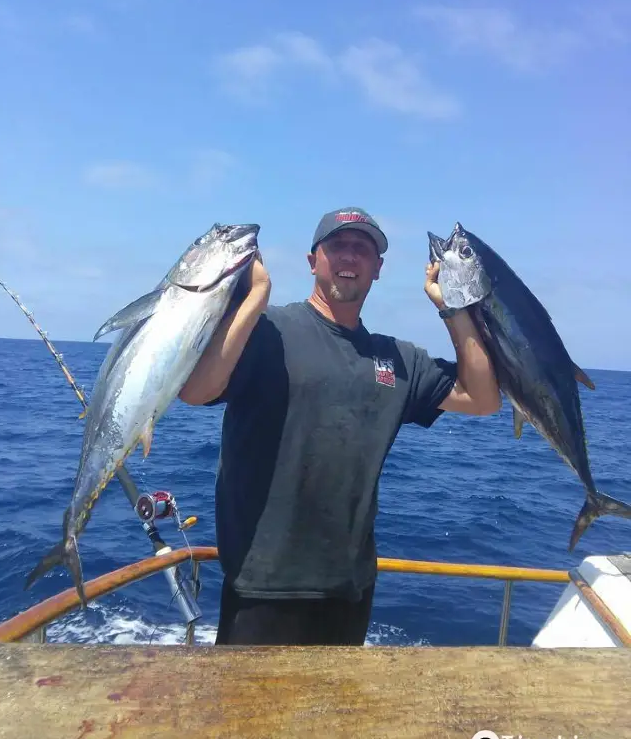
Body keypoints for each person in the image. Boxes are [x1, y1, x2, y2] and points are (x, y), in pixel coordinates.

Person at [179, 207, 501, 646]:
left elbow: (483, 399)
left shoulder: (398, 359)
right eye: (337, 246)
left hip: (349, 589)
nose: (349, 256)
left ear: (378, 269)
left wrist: (452, 308)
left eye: (362, 249)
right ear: (314, 260)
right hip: (261, 586)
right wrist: (256, 296)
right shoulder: (268, 329)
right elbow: (195, 390)